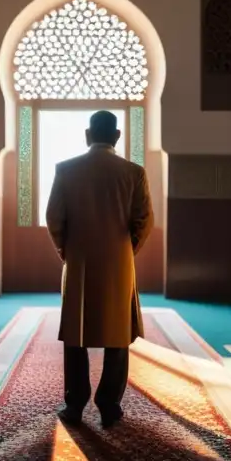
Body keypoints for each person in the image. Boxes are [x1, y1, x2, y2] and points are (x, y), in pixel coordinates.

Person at [45, 110, 155, 429]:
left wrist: (68, 250)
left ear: (87, 135)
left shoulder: (66, 170)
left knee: (76, 335)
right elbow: (144, 222)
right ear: (117, 136)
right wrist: (124, 250)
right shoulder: (134, 173)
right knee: (117, 333)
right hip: (119, 262)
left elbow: (54, 219)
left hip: (78, 261)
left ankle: (75, 405)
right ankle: (109, 406)